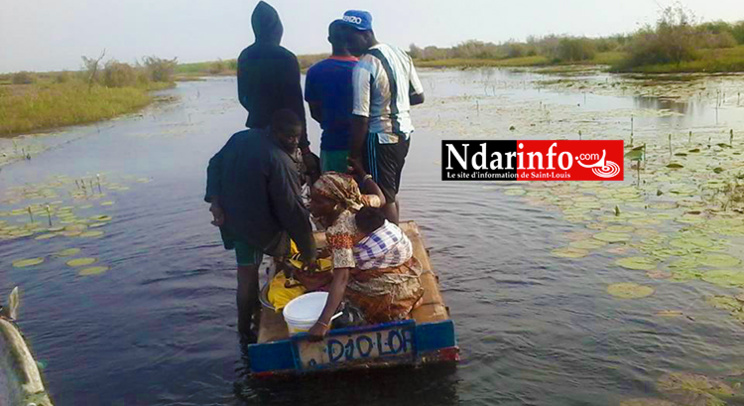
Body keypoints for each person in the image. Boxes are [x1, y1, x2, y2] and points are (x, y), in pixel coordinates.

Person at [205, 109, 316, 340]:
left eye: (297, 137)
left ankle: (246, 328)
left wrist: (216, 202)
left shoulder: (241, 138)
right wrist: (310, 254)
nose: (294, 142)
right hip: (251, 224)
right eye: (289, 137)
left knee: (248, 271)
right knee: (247, 275)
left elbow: (214, 164)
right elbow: (293, 212)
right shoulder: (279, 160)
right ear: (274, 132)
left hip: (232, 214)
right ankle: (246, 330)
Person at [306, 172, 424, 340]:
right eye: (311, 199)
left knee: (326, 286)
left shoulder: (340, 231)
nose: (311, 205)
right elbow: (381, 198)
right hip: (404, 266)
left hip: (385, 285)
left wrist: (322, 323)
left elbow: (342, 277)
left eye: (318, 201)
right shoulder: (360, 201)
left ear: (336, 203)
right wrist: (365, 176)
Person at [337, 10, 425, 224]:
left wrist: (354, 155)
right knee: (391, 192)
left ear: (366, 34)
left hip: (380, 138)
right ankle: (396, 239)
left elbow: (361, 117)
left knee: (382, 198)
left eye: (351, 39)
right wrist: (393, 103)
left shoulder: (364, 65)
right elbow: (418, 96)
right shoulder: (401, 54)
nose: (348, 45)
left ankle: (393, 247)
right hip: (403, 135)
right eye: (344, 40)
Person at [237, 1, 319, 181]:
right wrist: (304, 147)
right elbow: (295, 104)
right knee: (287, 188)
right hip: (284, 137)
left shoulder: (245, 56)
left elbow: (243, 97)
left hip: (256, 130)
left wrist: (259, 111)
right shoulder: (285, 57)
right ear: (277, 28)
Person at [304, 21, 358, 173]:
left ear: (329, 39)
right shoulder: (364, 69)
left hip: (332, 144)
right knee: (370, 195)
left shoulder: (315, 72)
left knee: (330, 194)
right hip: (363, 146)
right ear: (351, 38)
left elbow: (315, 113)